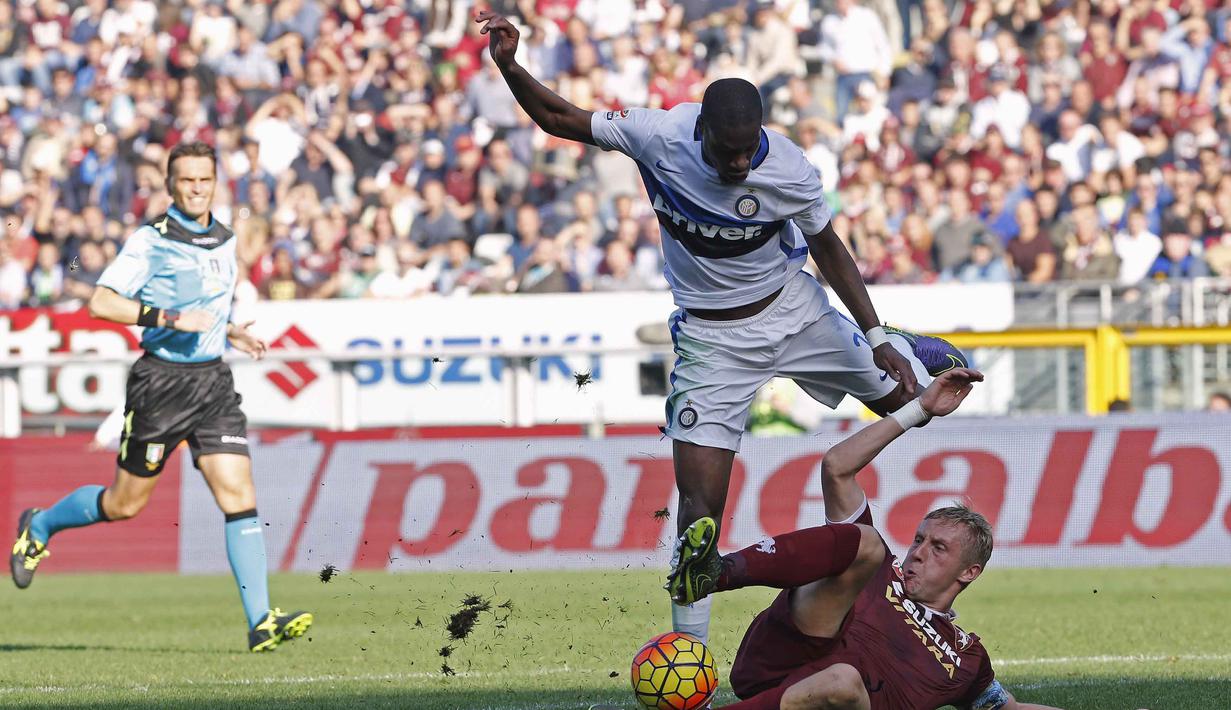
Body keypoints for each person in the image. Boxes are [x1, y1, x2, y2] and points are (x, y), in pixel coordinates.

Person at [475, 9, 967, 645]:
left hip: (795, 310)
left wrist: (874, 336)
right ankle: (690, 653)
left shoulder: (787, 168)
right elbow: (562, 119)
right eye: (726, 152)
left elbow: (830, 247)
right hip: (712, 340)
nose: (739, 163)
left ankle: (899, 343)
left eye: (747, 150)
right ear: (700, 128)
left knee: (917, 401)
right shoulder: (658, 134)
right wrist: (511, 66)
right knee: (700, 508)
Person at [9, 141, 312, 653]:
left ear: (215, 183)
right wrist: (170, 321)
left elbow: (205, 304)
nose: (197, 188)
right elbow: (102, 304)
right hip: (161, 384)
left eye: (204, 179)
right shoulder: (151, 241)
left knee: (239, 496)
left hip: (212, 383)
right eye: (187, 180)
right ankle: (39, 524)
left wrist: (229, 331)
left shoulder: (224, 238)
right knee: (125, 504)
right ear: (171, 185)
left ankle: (261, 620)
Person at [675, 369, 1059, 710]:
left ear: (969, 572)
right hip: (782, 656)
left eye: (938, 548)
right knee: (868, 545)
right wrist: (919, 409)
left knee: (843, 683)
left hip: (839, 697)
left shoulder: (967, 659)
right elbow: (837, 467)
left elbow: (1010, 708)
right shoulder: (882, 572)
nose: (918, 554)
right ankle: (717, 572)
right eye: (919, 540)